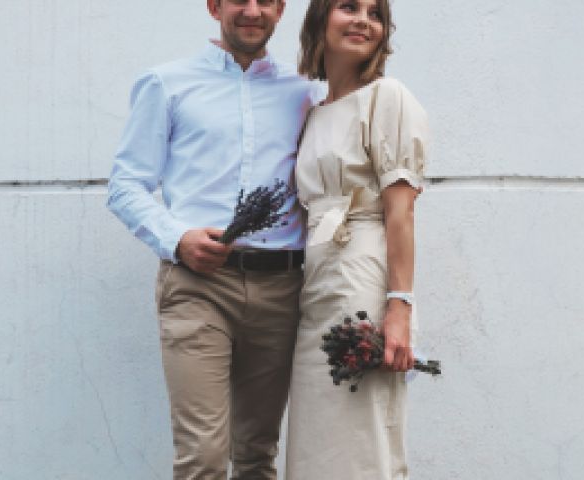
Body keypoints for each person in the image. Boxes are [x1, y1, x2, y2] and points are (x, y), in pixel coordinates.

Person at [107, 0, 319, 478]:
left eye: (265, 1)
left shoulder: (305, 93)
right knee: (202, 456)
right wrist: (177, 236)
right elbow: (126, 185)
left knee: (257, 454)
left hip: (282, 290)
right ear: (214, 6)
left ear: (280, 9)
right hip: (198, 287)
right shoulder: (166, 83)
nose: (252, 11)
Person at [285, 0, 429, 478]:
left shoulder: (387, 97)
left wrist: (400, 308)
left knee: (362, 436)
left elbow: (401, 212)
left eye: (375, 13)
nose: (364, 20)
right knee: (317, 441)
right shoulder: (314, 113)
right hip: (316, 287)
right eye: (349, 7)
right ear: (320, 19)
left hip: (361, 280)